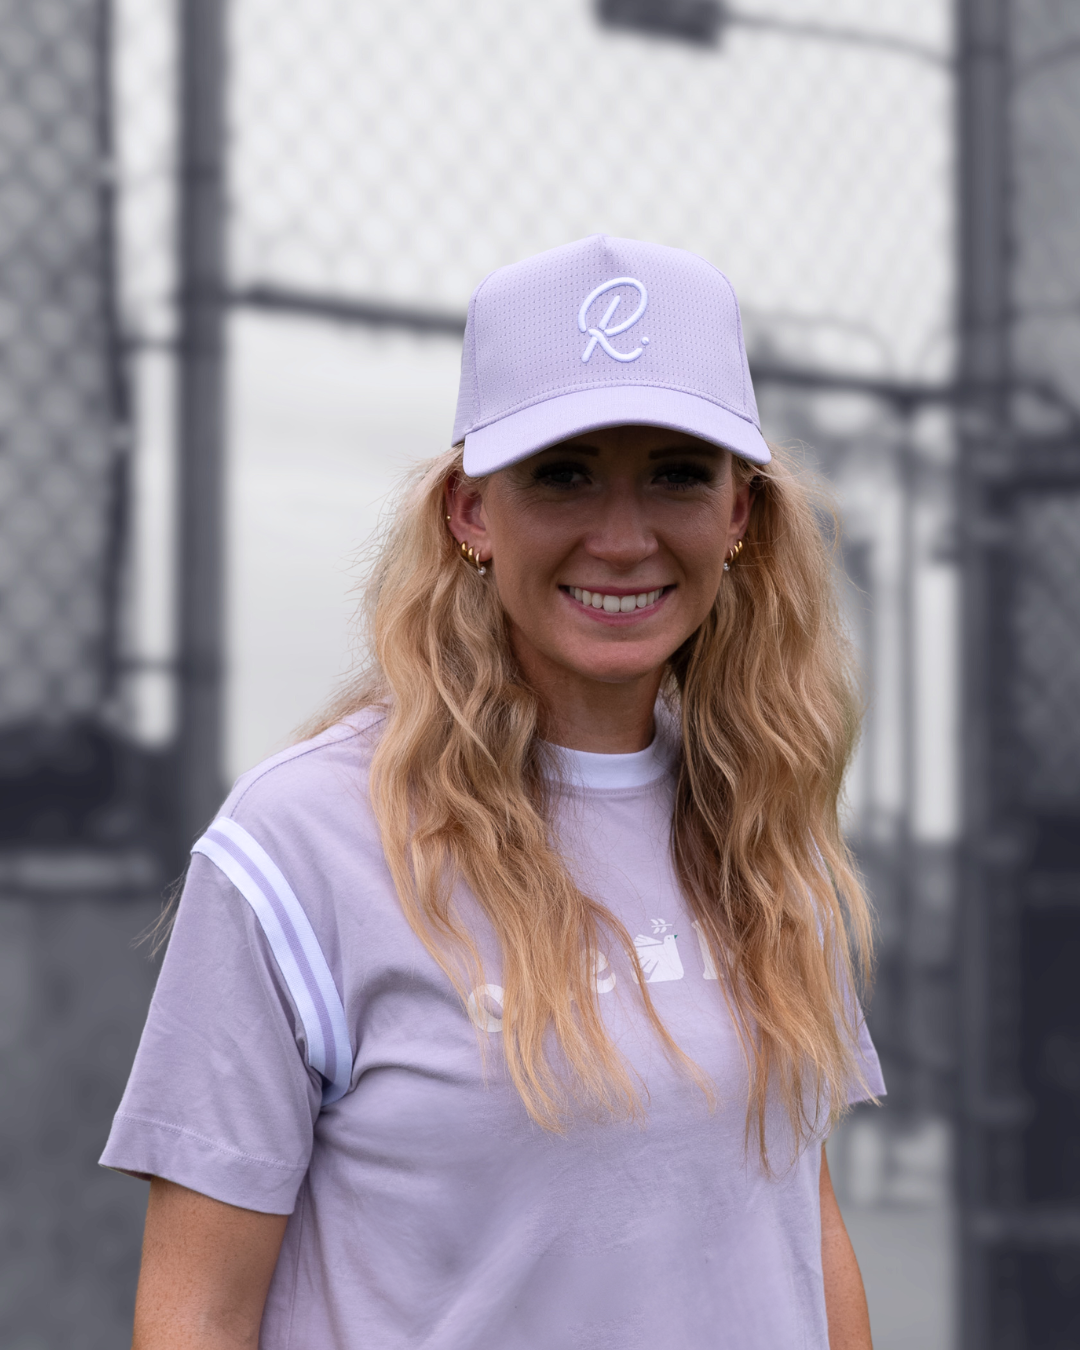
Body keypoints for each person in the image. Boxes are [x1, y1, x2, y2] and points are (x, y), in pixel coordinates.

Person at [103, 235, 884, 1350]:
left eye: (677, 472)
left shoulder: (762, 815)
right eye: (563, 474)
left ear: (740, 517)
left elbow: (800, 1227)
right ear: (471, 512)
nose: (623, 538)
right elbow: (197, 1315)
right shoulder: (301, 844)